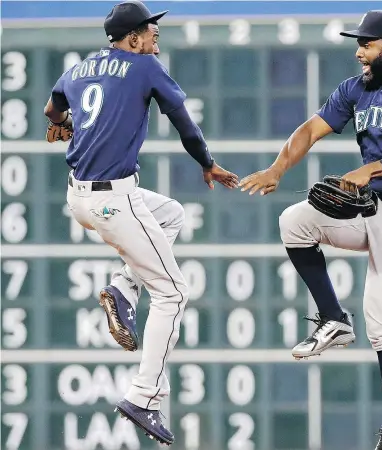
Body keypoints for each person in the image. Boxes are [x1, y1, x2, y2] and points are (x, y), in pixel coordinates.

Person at [239, 10, 382, 450]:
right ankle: (333, 318)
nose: (359, 51)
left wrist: (370, 169)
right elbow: (311, 129)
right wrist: (278, 168)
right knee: (294, 222)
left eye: (367, 45)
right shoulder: (357, 89)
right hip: (371, 208)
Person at [44, 0, 238, 445]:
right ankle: (143, 396)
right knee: (173, 292)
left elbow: (52, 113)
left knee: (171, 213)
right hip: (115, 200)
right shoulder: (144, 67)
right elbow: (184, 122)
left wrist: (66, 123)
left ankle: (121, 289)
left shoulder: (77, 70)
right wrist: (207, 164)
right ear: (132, 38)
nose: (155, 38)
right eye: (151, 33)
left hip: (79, 196)